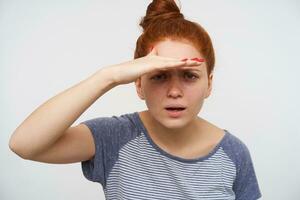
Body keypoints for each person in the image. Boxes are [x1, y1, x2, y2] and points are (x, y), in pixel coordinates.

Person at [9, 0, 262, 199]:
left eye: (189, 76)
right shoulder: (114, 137)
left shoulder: (233, 153)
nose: (175, 91)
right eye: (159, 76)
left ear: (209, 84)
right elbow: (24, 144)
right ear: (138, 84)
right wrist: (108, 76)